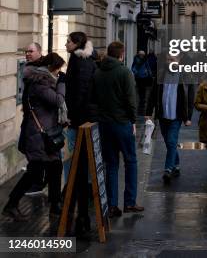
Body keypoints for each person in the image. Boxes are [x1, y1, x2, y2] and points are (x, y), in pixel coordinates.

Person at [2, 52, 66, 221]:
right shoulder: (40, 84)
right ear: (51, 68)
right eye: (58, 71)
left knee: (55, 166)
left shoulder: (43, 81)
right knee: (35, 172)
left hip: (45, 134)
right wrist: (62, 84)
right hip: (38, 135)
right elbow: (58, 100)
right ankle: (11, 205)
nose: (58, 74)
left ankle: (55, 205)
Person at [92, 41, 143, 217]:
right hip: (122, 123)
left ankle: (112, 205)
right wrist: (133, 121)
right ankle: (129, 202)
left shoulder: (98, 72)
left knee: (111, 164)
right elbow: (131, 100)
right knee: (130, 162)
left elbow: (94, 98)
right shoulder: (124, 72)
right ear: (121, 54)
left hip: (105, 125)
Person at [64, 31, 96, 235]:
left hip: (79, 123)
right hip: (85, 121)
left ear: (76, 44)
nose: (66, 44)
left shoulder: (79, 62)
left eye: (68, 41)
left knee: (77, 168)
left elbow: (79, 93)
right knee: (80, 168)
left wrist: (72, 118)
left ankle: (80, 214)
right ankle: (76, 209)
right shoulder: (87, 60)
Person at [146, 53, 194, 184]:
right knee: (169, 142)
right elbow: (153, 95)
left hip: (177, 116)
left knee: (172, 141)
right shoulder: (161, 74)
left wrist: (188, 117)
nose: (169, 62)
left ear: (179, 60)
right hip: (163, 115)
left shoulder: (185, 75)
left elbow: (190, 98)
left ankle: (168, 169)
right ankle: (176, 163)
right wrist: (148, 112)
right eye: (167, 59)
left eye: (172, 60)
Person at [23, 42, 47, 196]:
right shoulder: (31, 69)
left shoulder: (39, 72)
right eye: (26, 51)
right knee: (26, 148)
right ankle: (37, 180)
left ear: (39, 52)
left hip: (38, 119)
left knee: (36, 152)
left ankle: (38, 183)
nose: (27, 53)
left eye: (31, 51)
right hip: (30, 117)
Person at [132, 50, 156, 115]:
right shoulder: (136, 60)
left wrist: (149, 74)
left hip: (145, 79)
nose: (142, 56)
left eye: (143, 55)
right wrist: (137, 73)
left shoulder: (145, 60)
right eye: (141, 54)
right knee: (141, 94)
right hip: (140, 79)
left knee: (144, 94)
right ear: (139, 55)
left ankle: (142, 107)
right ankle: (141, 108)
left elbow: (148, 68)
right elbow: (133, 68)